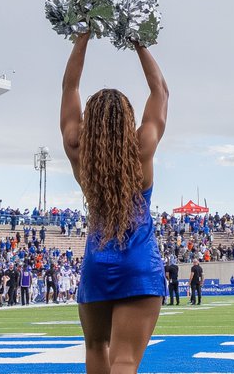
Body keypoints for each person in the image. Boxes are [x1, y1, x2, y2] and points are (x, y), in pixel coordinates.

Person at [61, 31, 169, 374]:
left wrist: (83, 37)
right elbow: (161, 92)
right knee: (124, 360)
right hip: (139, 261)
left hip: (98, 259)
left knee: (96, 348)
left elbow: (70, 89)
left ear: (88, 123)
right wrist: (139, 41)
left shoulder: (79, 149)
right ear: (129, 120)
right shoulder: (142, 149)